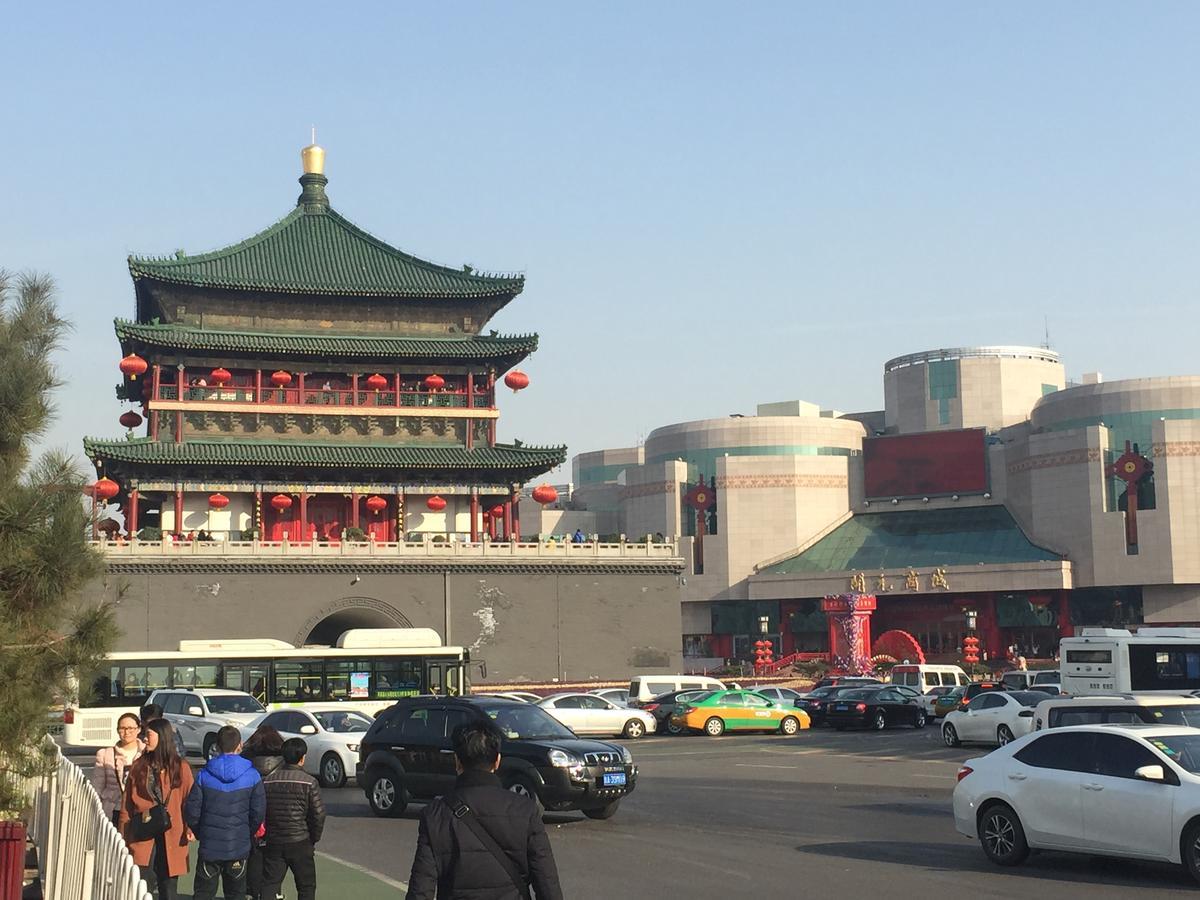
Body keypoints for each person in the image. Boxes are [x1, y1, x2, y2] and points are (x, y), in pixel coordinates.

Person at [407, 720, 562, 899]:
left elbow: (420, 890)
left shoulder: (435, 814)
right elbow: (547, 884)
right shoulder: (525, 810)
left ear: (457, 761)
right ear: (497, 761)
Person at [185, 725, 266, 900]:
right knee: (236, 893)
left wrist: (201, 832)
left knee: (203, 893)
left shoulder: (204, 775)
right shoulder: (252, 775)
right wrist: (246, 832)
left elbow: (192, 811)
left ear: (217, 746)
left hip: (209, 845)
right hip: (238, 845)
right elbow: (258, 812)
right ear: (240, 745)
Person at [119, 719, 194, 900]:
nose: (145, 739)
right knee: (142, 886)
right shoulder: (139, 766)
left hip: (172, 833)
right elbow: (127, 804)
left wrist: (190, 828)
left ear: (162, 737)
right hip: (144, 833)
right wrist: (122, 835)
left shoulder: (180, 767)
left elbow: (189, 801)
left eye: (149, 735)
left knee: (168, 887)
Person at [261, 738, 326, 900]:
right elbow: (318, 814)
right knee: (306, 886)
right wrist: (313, 838)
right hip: (300, 840)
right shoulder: (309, 782)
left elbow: (261, 810)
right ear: (302, 757)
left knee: (270, 884)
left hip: (274, 840)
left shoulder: (268, 781)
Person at [241, 726, 285, 900]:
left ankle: (252, 891)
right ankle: (273, 893)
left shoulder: (245, 759)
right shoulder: (282, 760)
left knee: (253, 856)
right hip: (276, 813)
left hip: (251, 813)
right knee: (273, 860)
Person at [92, 712, 144, 823]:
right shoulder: (105, 754)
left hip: (140, 809)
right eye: (122, 728)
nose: (126, 732)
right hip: (114, 808)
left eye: (131, 728)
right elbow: (97, 786)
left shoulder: (146, 753)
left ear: (138, 729)